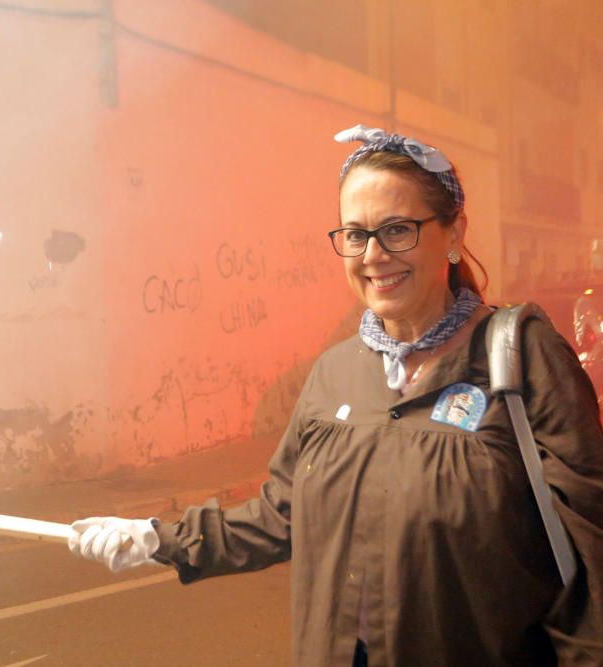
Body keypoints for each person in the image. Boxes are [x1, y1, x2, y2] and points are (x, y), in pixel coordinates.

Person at [69, 125, 603, 666]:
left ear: (454, 234)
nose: (373, 255)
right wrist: (159, 539)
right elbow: (282, 516)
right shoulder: (335, 373)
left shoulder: (521, 358)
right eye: (354, 234)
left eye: (398, 229)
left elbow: (592, 554)